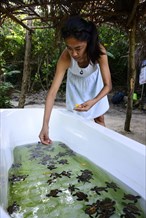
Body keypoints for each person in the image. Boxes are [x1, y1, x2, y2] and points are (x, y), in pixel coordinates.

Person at [39, 16, 112, 145]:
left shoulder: (99, 51)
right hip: (75, 86)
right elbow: (52, 93)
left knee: (99, 118)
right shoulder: (66, 57)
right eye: (69, 48)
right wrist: (45, 125)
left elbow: (108, 85)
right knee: (76, 121)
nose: (74, 54)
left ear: (88, 42)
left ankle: (102, 147)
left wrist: (94, 101)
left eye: (78, 48)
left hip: (95, 85)